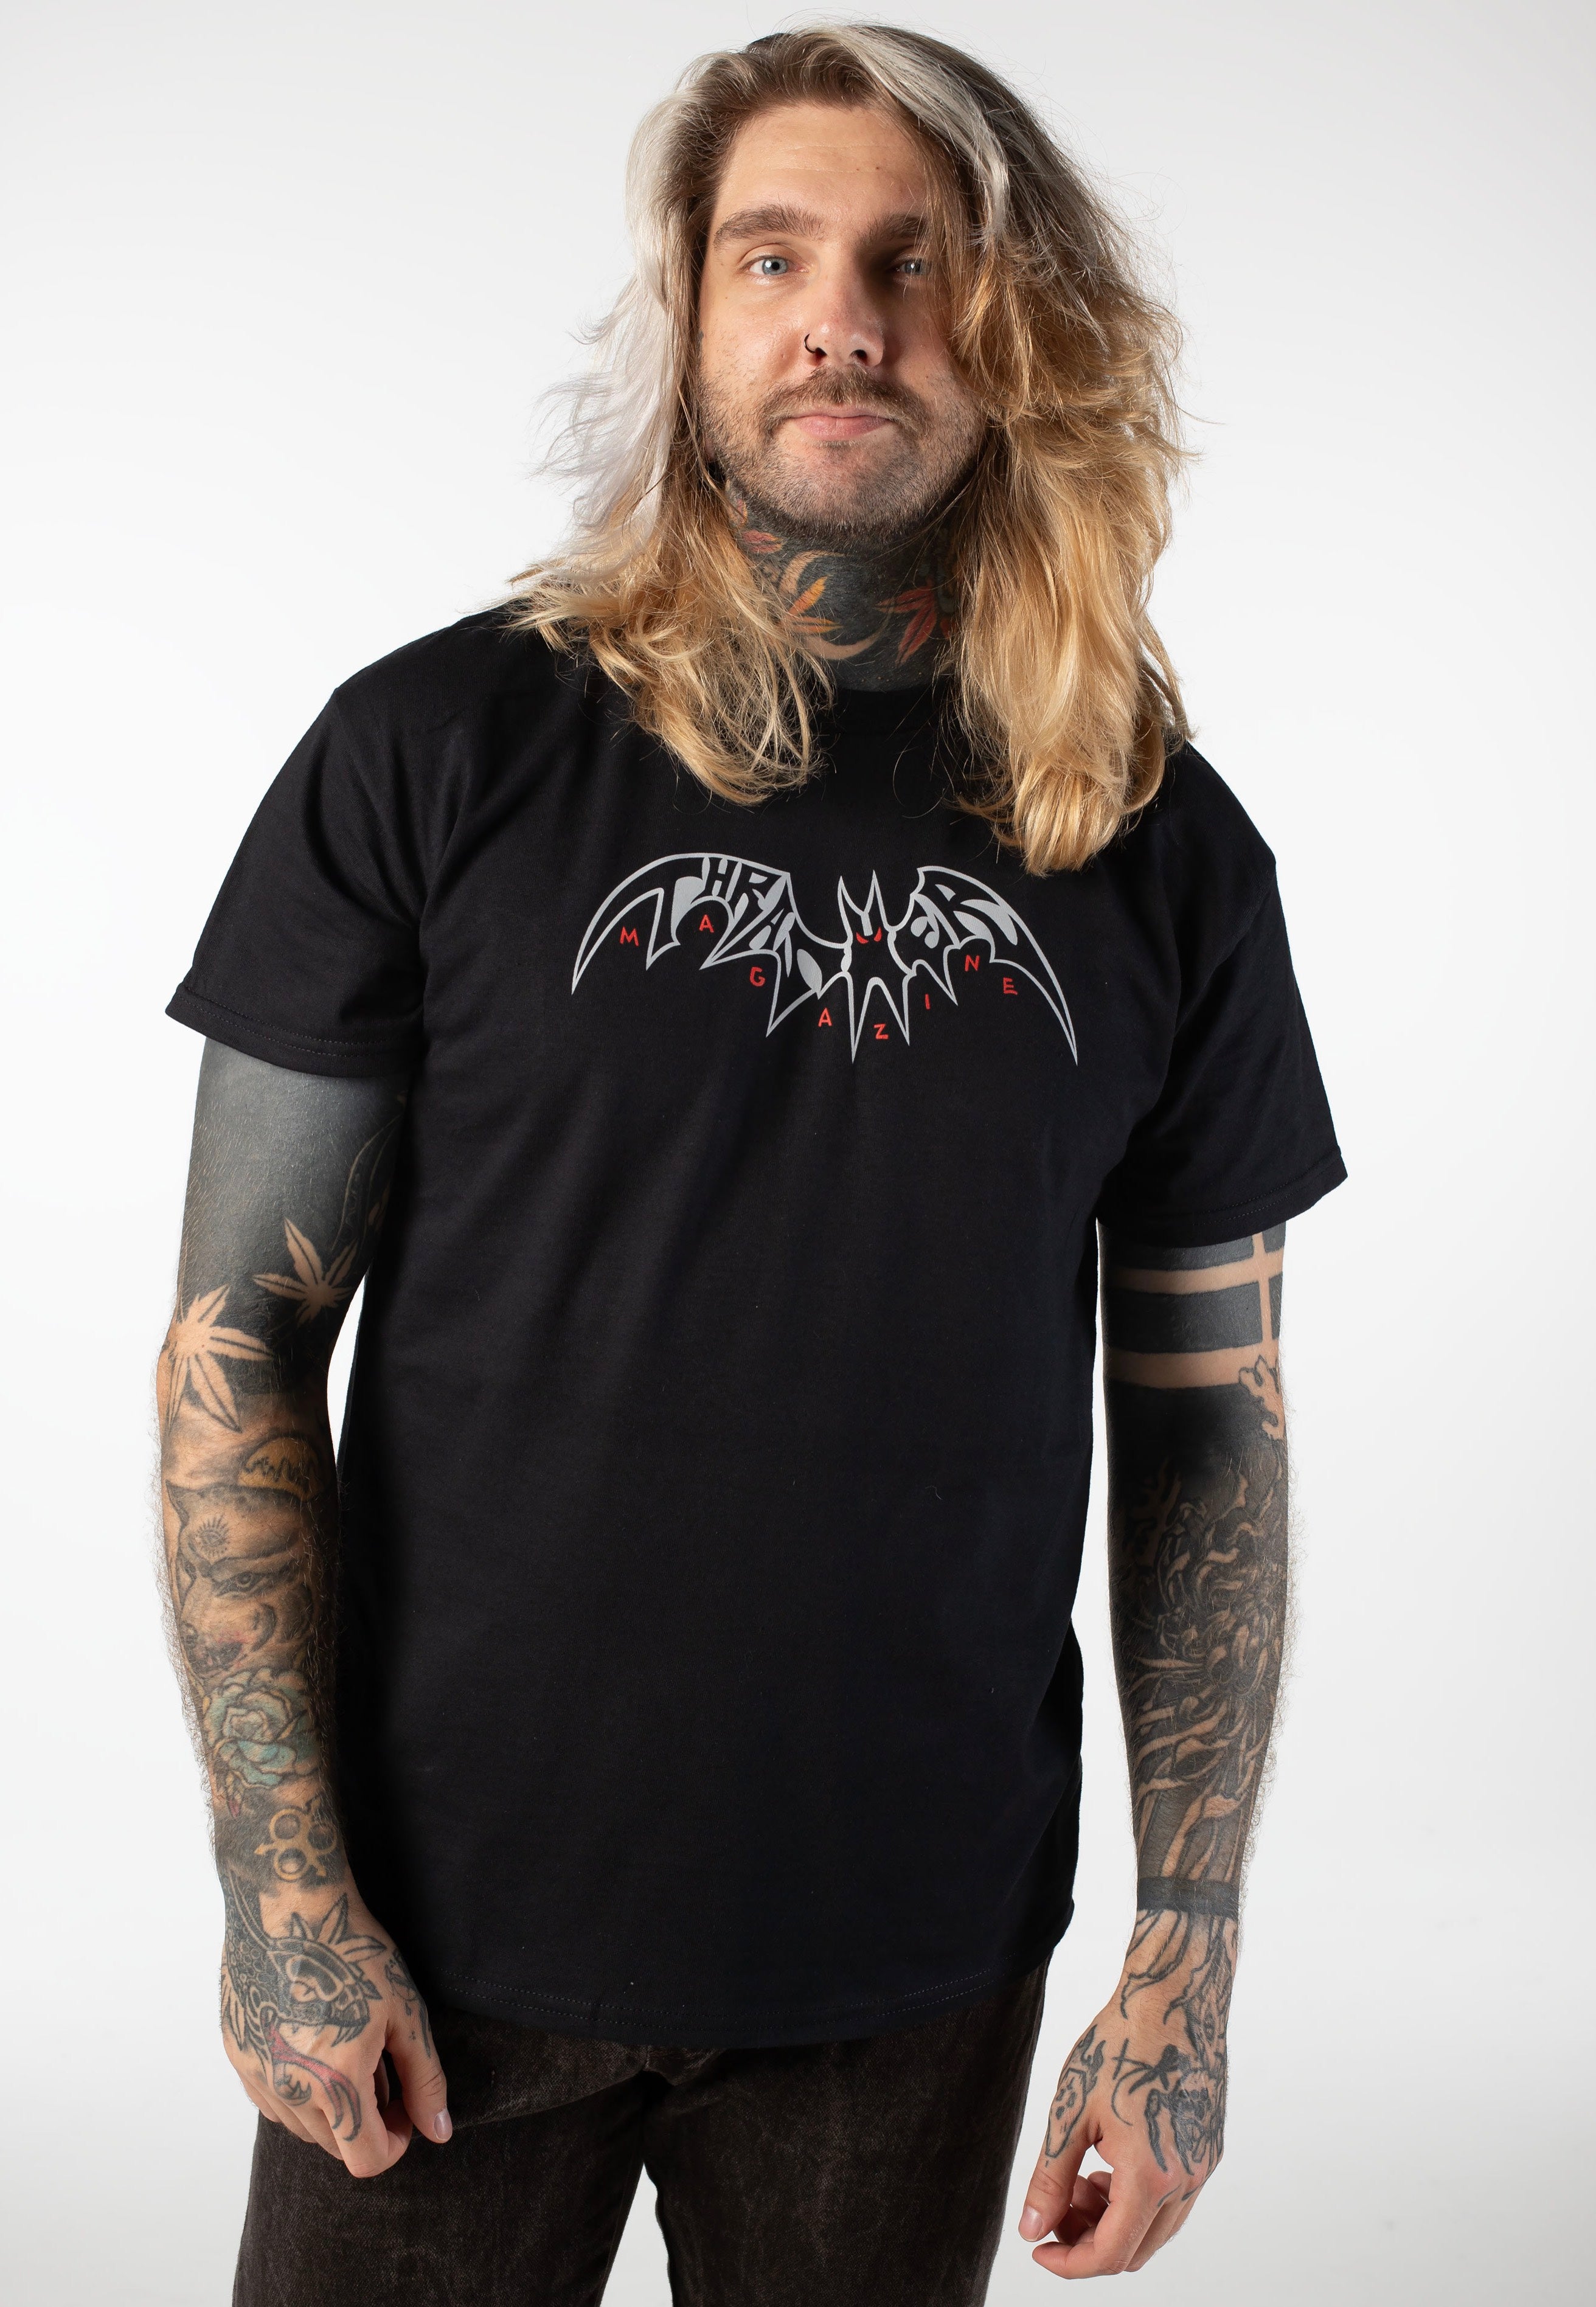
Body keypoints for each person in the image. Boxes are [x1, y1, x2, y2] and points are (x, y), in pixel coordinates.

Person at [158, 25, 1344, 2304]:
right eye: (772, 255)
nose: (843, 319)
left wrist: (1183, 1957)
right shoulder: (437, 750)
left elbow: (1212, 1416)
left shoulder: (1155, 842)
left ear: (1020, 323)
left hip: (913, 1957)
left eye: (916, 259)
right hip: (440, 1937)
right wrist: (283, 1887)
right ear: (689, 317)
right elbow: (241, 1338)